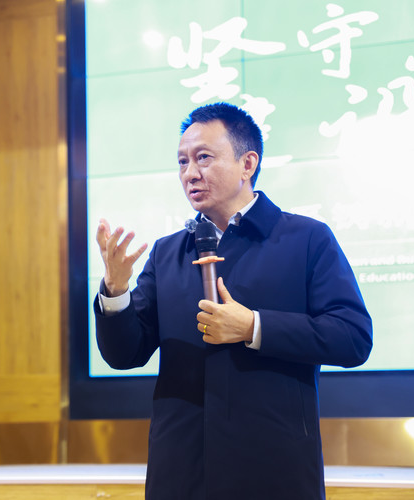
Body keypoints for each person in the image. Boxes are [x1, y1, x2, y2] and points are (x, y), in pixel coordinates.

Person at [94, 102, 373, 499]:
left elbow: (353, 337)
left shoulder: (306, 239)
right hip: (181, 475)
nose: (190, 173)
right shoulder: (167, 252)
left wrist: (254, 327)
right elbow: (125, 355)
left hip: (273, 473)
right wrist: (116, 290)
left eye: (203, 158)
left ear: (247, 164)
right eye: (182, 161)